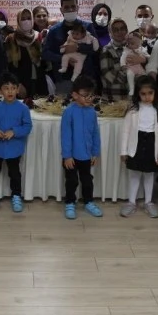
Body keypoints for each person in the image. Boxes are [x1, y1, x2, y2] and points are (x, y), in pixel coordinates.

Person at [119, 75, 158, 219]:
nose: (147, 97)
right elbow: (126, 131)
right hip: (136, 144)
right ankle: (131, 202)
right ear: (138, 94)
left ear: (155, 92)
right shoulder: (133, 110)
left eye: (150, 93)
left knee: (149, 174)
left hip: (152, 144)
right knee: (134, 174)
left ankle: (148, 202)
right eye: (143, 94)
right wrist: (123, 151)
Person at [0, 72, 32, 213]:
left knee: (14, 173)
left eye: (13, 88)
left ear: (17, 89)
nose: (10, 91)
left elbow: (27, 127)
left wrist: (14, 132)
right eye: (6, 88)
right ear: (0, 91)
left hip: (14, 148)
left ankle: (16, 195)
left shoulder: (23, 108)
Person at [60, 75, 102, 220]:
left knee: (87, 180)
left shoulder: (92, 112)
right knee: (71, 181)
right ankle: (70, 202)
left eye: (91, 95)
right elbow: (65, 135)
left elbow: (95, 133)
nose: (89, 98)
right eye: (85, 95)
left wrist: (95, 152)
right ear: (75, 95)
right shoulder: (69, 112)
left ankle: (88, 202)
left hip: (86, 155)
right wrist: (67, 155)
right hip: (71, 156)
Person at [42, 0, 98, 93]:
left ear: (77, 8)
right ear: (61, 10)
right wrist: (63, 58)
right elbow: (45, 53)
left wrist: (78, 48)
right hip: (63, 79)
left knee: (87, 103)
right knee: (63, 103)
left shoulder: (88, 27)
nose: (70, 9)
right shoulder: (54, 30)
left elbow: (96, 49)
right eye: (66, 7)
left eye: (73, 6)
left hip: (86, 78)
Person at [5, 9, 47, 98]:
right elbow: (9, 66)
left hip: (39, 81)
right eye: (23, 19)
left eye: (28, 18)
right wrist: (17, 83)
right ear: (18, 20)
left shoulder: (38, 36)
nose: (26, 21)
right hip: (21, 83)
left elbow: (43, 60)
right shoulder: (11, 39)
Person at [100, 18, 138, 101]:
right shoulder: (107, 50)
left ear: (127, 30)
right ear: (110, 33)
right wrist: (130, 69)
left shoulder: (133, 47)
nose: (119, 32)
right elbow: (110, 77)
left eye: (122, 29)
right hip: (114, 99)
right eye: (115, 30)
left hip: (133, 98)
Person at [120, 31, 149, 96]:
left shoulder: (141, 49)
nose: (129, 45)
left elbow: (146, 55)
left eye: (132, 43)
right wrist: (123, 64)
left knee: (145, 76)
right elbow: (123, 57)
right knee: (129, 75)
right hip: (131, 67)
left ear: (138, 44)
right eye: (128, 43)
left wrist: (147, 57)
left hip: (139, 67)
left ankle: (146, 87)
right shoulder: (126, 50)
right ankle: (132, 88)